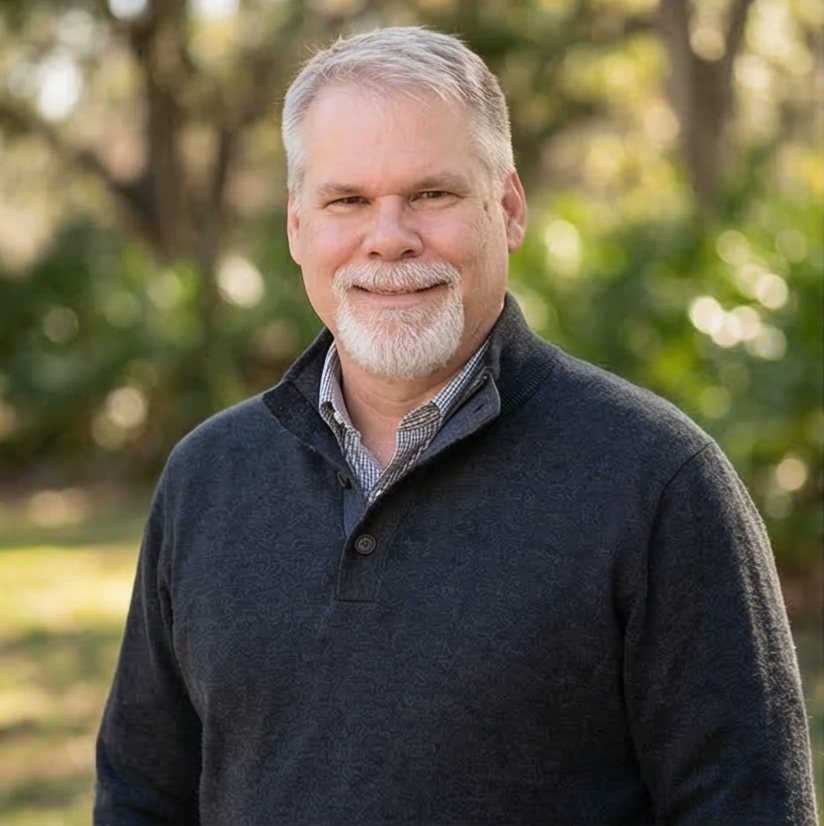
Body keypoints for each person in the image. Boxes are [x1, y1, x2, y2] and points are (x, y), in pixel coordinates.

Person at [95, 26, 817, 825]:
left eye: (431, 194)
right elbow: (140, 797)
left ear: (505, 209)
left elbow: (749, 807)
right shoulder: (207, 478)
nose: (390, 236)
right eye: (348, 200)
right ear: (298, 227)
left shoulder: (660, 483)